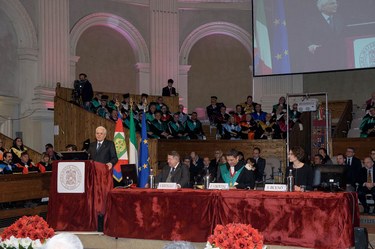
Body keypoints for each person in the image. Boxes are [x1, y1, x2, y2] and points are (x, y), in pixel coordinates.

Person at [305, 0, 346, 71]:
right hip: (321, 59)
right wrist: (310, 45)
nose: (336, 5)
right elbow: (305, 37)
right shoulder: (312, 20)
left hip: (340, 57)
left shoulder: (340, 18)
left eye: (336, 3)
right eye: (332, 4)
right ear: (323, 7)